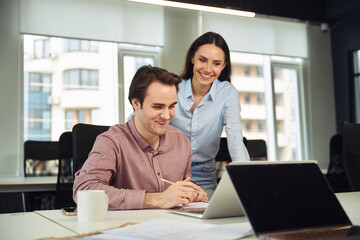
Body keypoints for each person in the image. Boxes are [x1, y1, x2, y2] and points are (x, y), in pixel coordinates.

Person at [73, 65, 207, 210]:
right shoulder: (111, 141)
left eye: (171, 106)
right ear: (136, 103)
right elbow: (84, 189)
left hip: (170, 226)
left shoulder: (181, 141)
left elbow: (181, 185)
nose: (167, 116)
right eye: (158, 107)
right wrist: (157, 199)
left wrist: (191, 192)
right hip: (123, 228)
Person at [170, 32, 250, 199]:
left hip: (204, 179)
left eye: (216, 63)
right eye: (202, 60)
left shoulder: (227, 94)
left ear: (223, 66)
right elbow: (139, 122)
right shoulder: (172, 87)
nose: (207, 69)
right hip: (168, 174)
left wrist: (246, 181)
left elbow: (235, 138)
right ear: (192, 58)